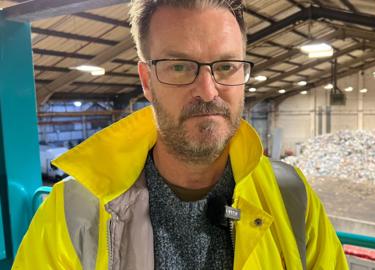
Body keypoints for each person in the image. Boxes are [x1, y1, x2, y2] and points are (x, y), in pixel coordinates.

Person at [13, 0, 348, 269]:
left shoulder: (291, 197)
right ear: (146, 80)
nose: (207, 90)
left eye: (227, 66)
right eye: (179, 66)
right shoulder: (72, 214)